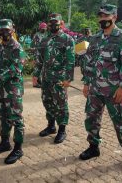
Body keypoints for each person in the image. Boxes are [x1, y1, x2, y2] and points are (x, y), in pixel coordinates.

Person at [79, 4, 122, 172]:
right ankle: (93, 147)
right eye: (101, 16)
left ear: (114, 17)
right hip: (95, 89)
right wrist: (86, 83)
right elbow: (89, 62)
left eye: (106, 16)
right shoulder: (95, 38)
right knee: (92, 119)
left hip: (114, 90)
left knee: (121, 122)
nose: (103, 19)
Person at [32, 13, 75, 144]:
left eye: (55, 23)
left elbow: (70, 60)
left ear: (61, 23)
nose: (52, 25)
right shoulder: (44, 39)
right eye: (50, 23)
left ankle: (62, 129)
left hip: (60, 79)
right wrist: (35, 74)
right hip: (46, 78)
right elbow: (39, 59)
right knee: (47, 101)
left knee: (61, 104)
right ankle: (51, 126)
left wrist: (68, 78)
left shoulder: (67, 39)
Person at [0, 19, 26, 164]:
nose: (4, 33)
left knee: (16, 118)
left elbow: (15, 69)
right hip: (0, 89)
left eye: (7, 30)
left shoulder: (17, 48)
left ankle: (18, 148)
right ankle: (5, 142)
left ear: (12, 30)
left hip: (13, 89)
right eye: (1, 30)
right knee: (3, 116)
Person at [31, 22, 48, 88]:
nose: (44, 29)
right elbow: (32, 44)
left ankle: (39, 80)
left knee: (41, 68)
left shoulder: (46, 35)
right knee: (37, 68)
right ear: (40, 28)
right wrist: (34, 52)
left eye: (45, 28)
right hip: (37, 53)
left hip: (43, 53)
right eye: (42, 28)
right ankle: (35, 83)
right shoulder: (37, 35)